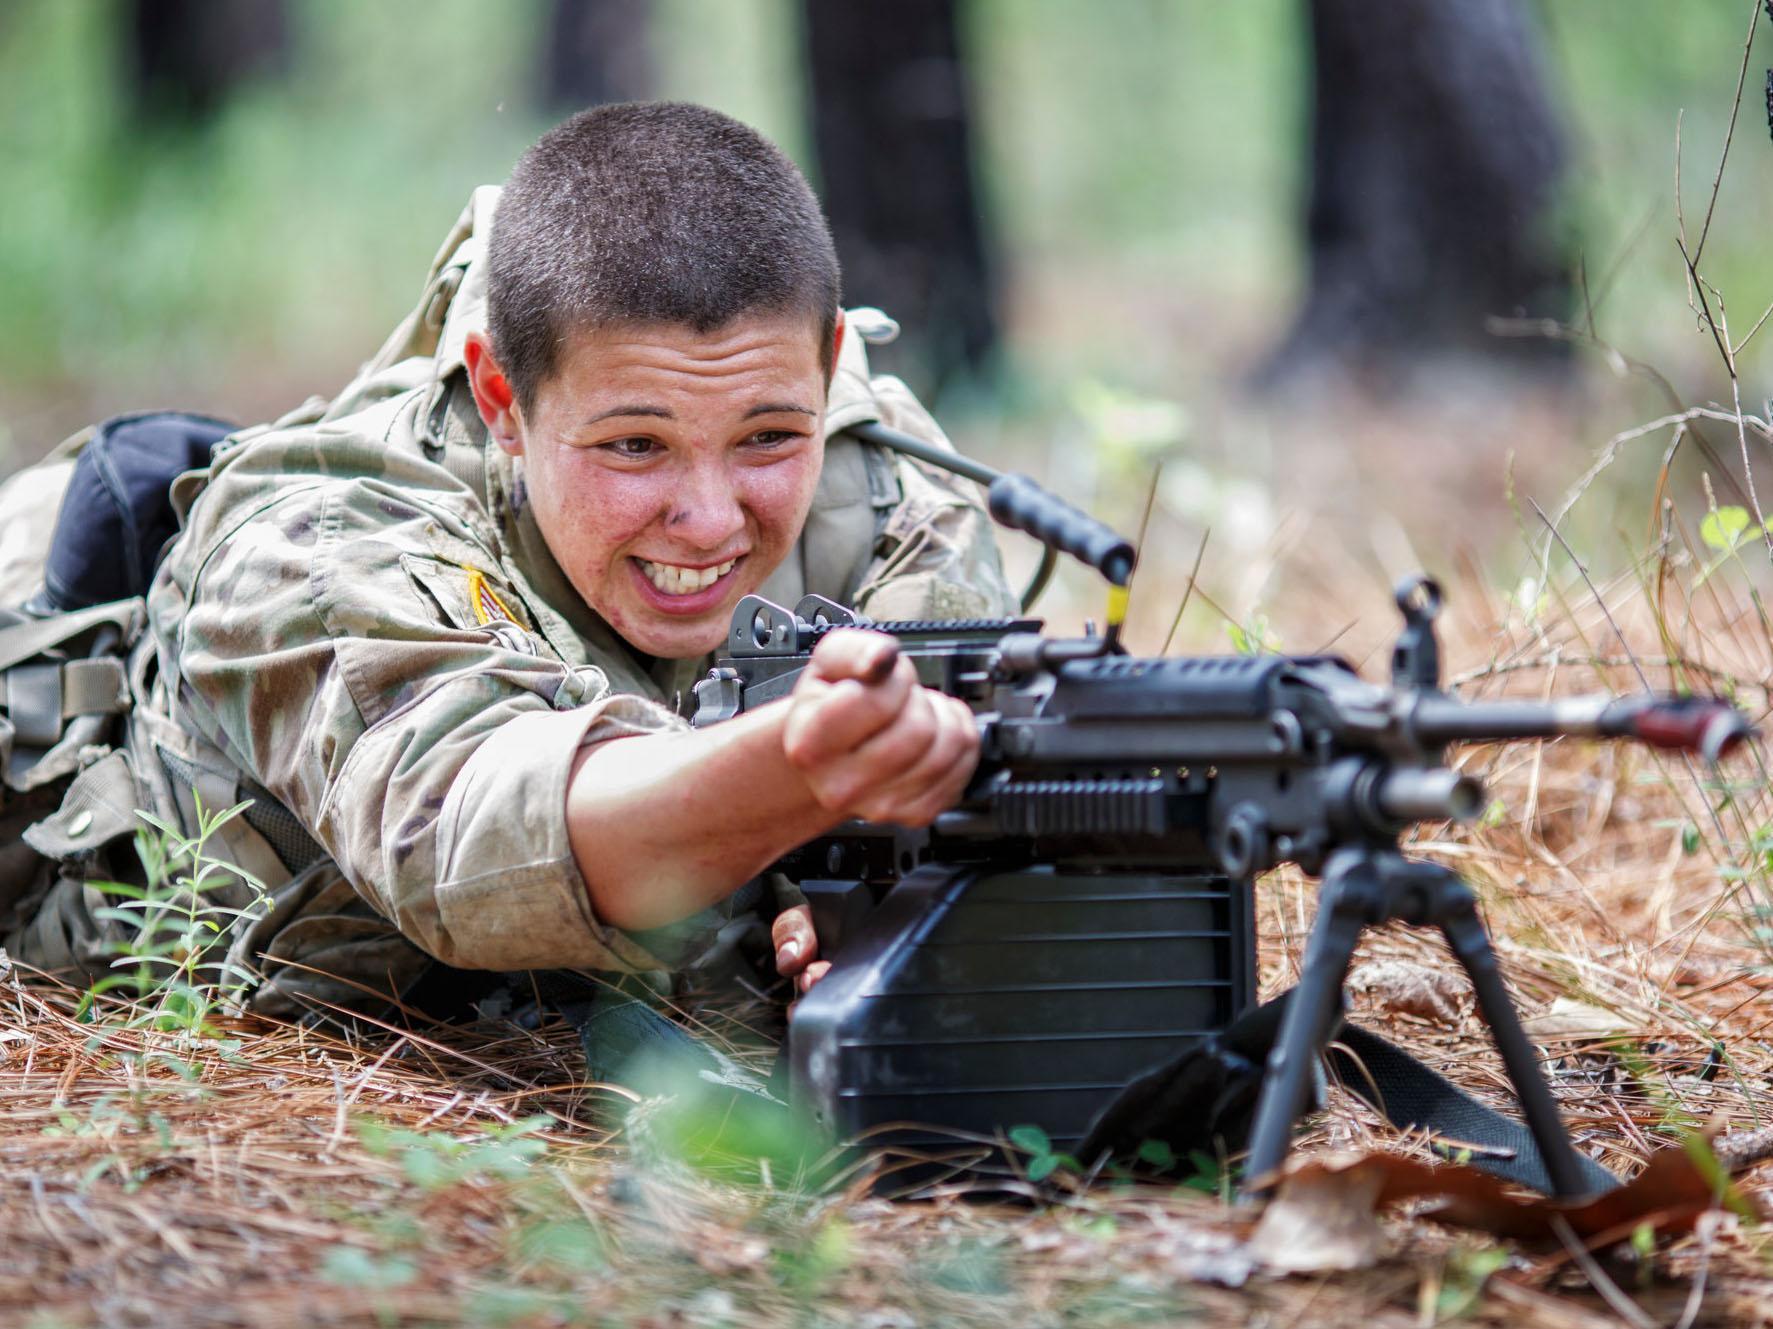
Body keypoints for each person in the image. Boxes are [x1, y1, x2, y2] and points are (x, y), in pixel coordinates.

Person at [3, 102, 1015, 1023]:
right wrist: (811, 770)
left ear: (831, 365)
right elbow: (482, 838)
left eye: (766, 440)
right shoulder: (318, 543)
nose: (710, 521)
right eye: (634, 447)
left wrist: (865, 908)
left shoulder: (885, 493)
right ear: (502, 401)